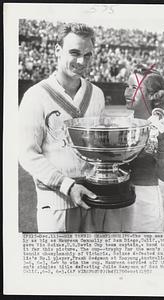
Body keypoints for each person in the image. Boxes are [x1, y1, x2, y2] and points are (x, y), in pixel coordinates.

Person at [19, 23, 105, 232]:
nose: (81, 61)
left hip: (93, 198)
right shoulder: (36, 95)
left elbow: (100, 149)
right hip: (56, 201)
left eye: (87, 55)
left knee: (93, 263)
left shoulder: (97, 94)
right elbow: (27, 154)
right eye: (74, 53)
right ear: (57, 50)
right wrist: (68, 185)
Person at [118, 64, 164, 232]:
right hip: (117, 200)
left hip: (145, 203)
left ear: (153, 95)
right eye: (126, 87)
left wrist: (162, 140)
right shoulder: (121, 124)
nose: (127, 92)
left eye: (134, 87)